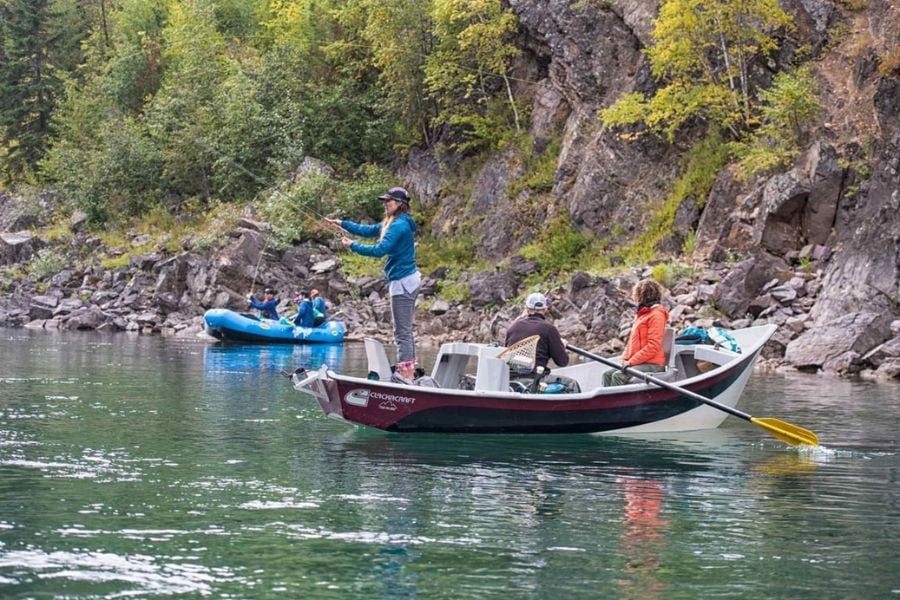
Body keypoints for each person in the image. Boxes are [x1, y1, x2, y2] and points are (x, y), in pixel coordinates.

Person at [324, 186, 420, 379]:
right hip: (403, 279)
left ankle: (407, 374)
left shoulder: (399, 225)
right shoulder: (392, 221)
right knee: (403, 330)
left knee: (402, 331)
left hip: (403, 281)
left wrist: (352, 245)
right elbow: (368, 231)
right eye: (385, 201)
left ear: (400, 204)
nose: (386, 204)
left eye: (389, 201)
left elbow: (379, 250)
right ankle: (407, 371)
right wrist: (342, 224)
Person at [603, 279, 670, 387]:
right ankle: (606, 403)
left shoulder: (656, 315)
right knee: (606, 374)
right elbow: (631, 343)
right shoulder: (643, 314)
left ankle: (620, 403)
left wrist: (631, 362)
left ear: (641, 295)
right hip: (640, 361)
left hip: (653, 363)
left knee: (618, 376)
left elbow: (653, 346)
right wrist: (624, 359)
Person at [504, 292, 569, 371]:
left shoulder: (513, 327)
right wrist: (562, 345)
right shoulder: (549, 329)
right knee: (571, 383)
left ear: (527, 309)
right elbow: (562, 362)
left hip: (511, 377)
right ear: (545, 309)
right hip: (535, 378)